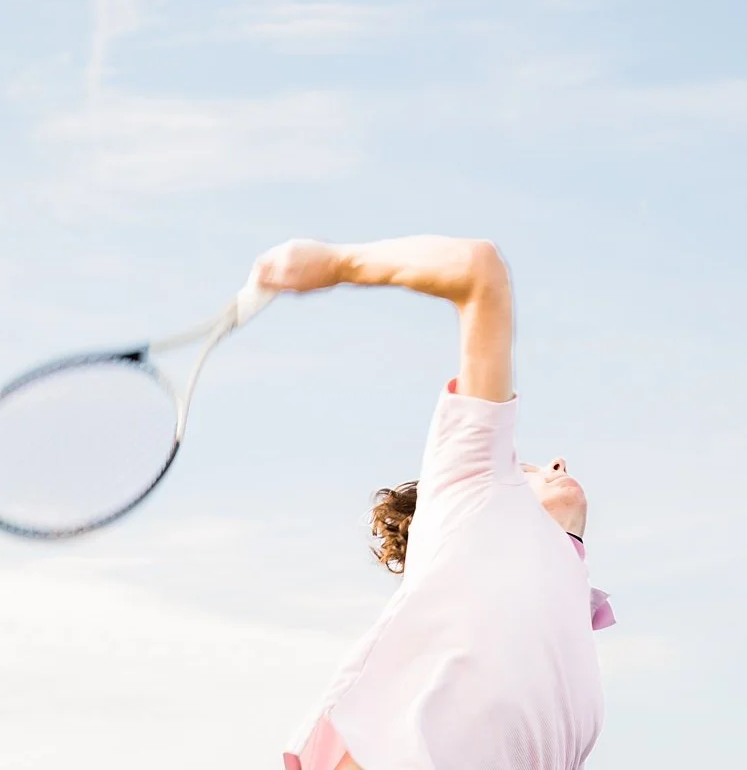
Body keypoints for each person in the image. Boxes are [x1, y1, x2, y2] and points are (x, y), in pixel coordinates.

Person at [252, 235, 615, 770]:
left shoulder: (570, 617)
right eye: (529, 469)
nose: (555, 464)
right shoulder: (474, 483)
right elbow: (478, 271)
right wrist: (337, 264)